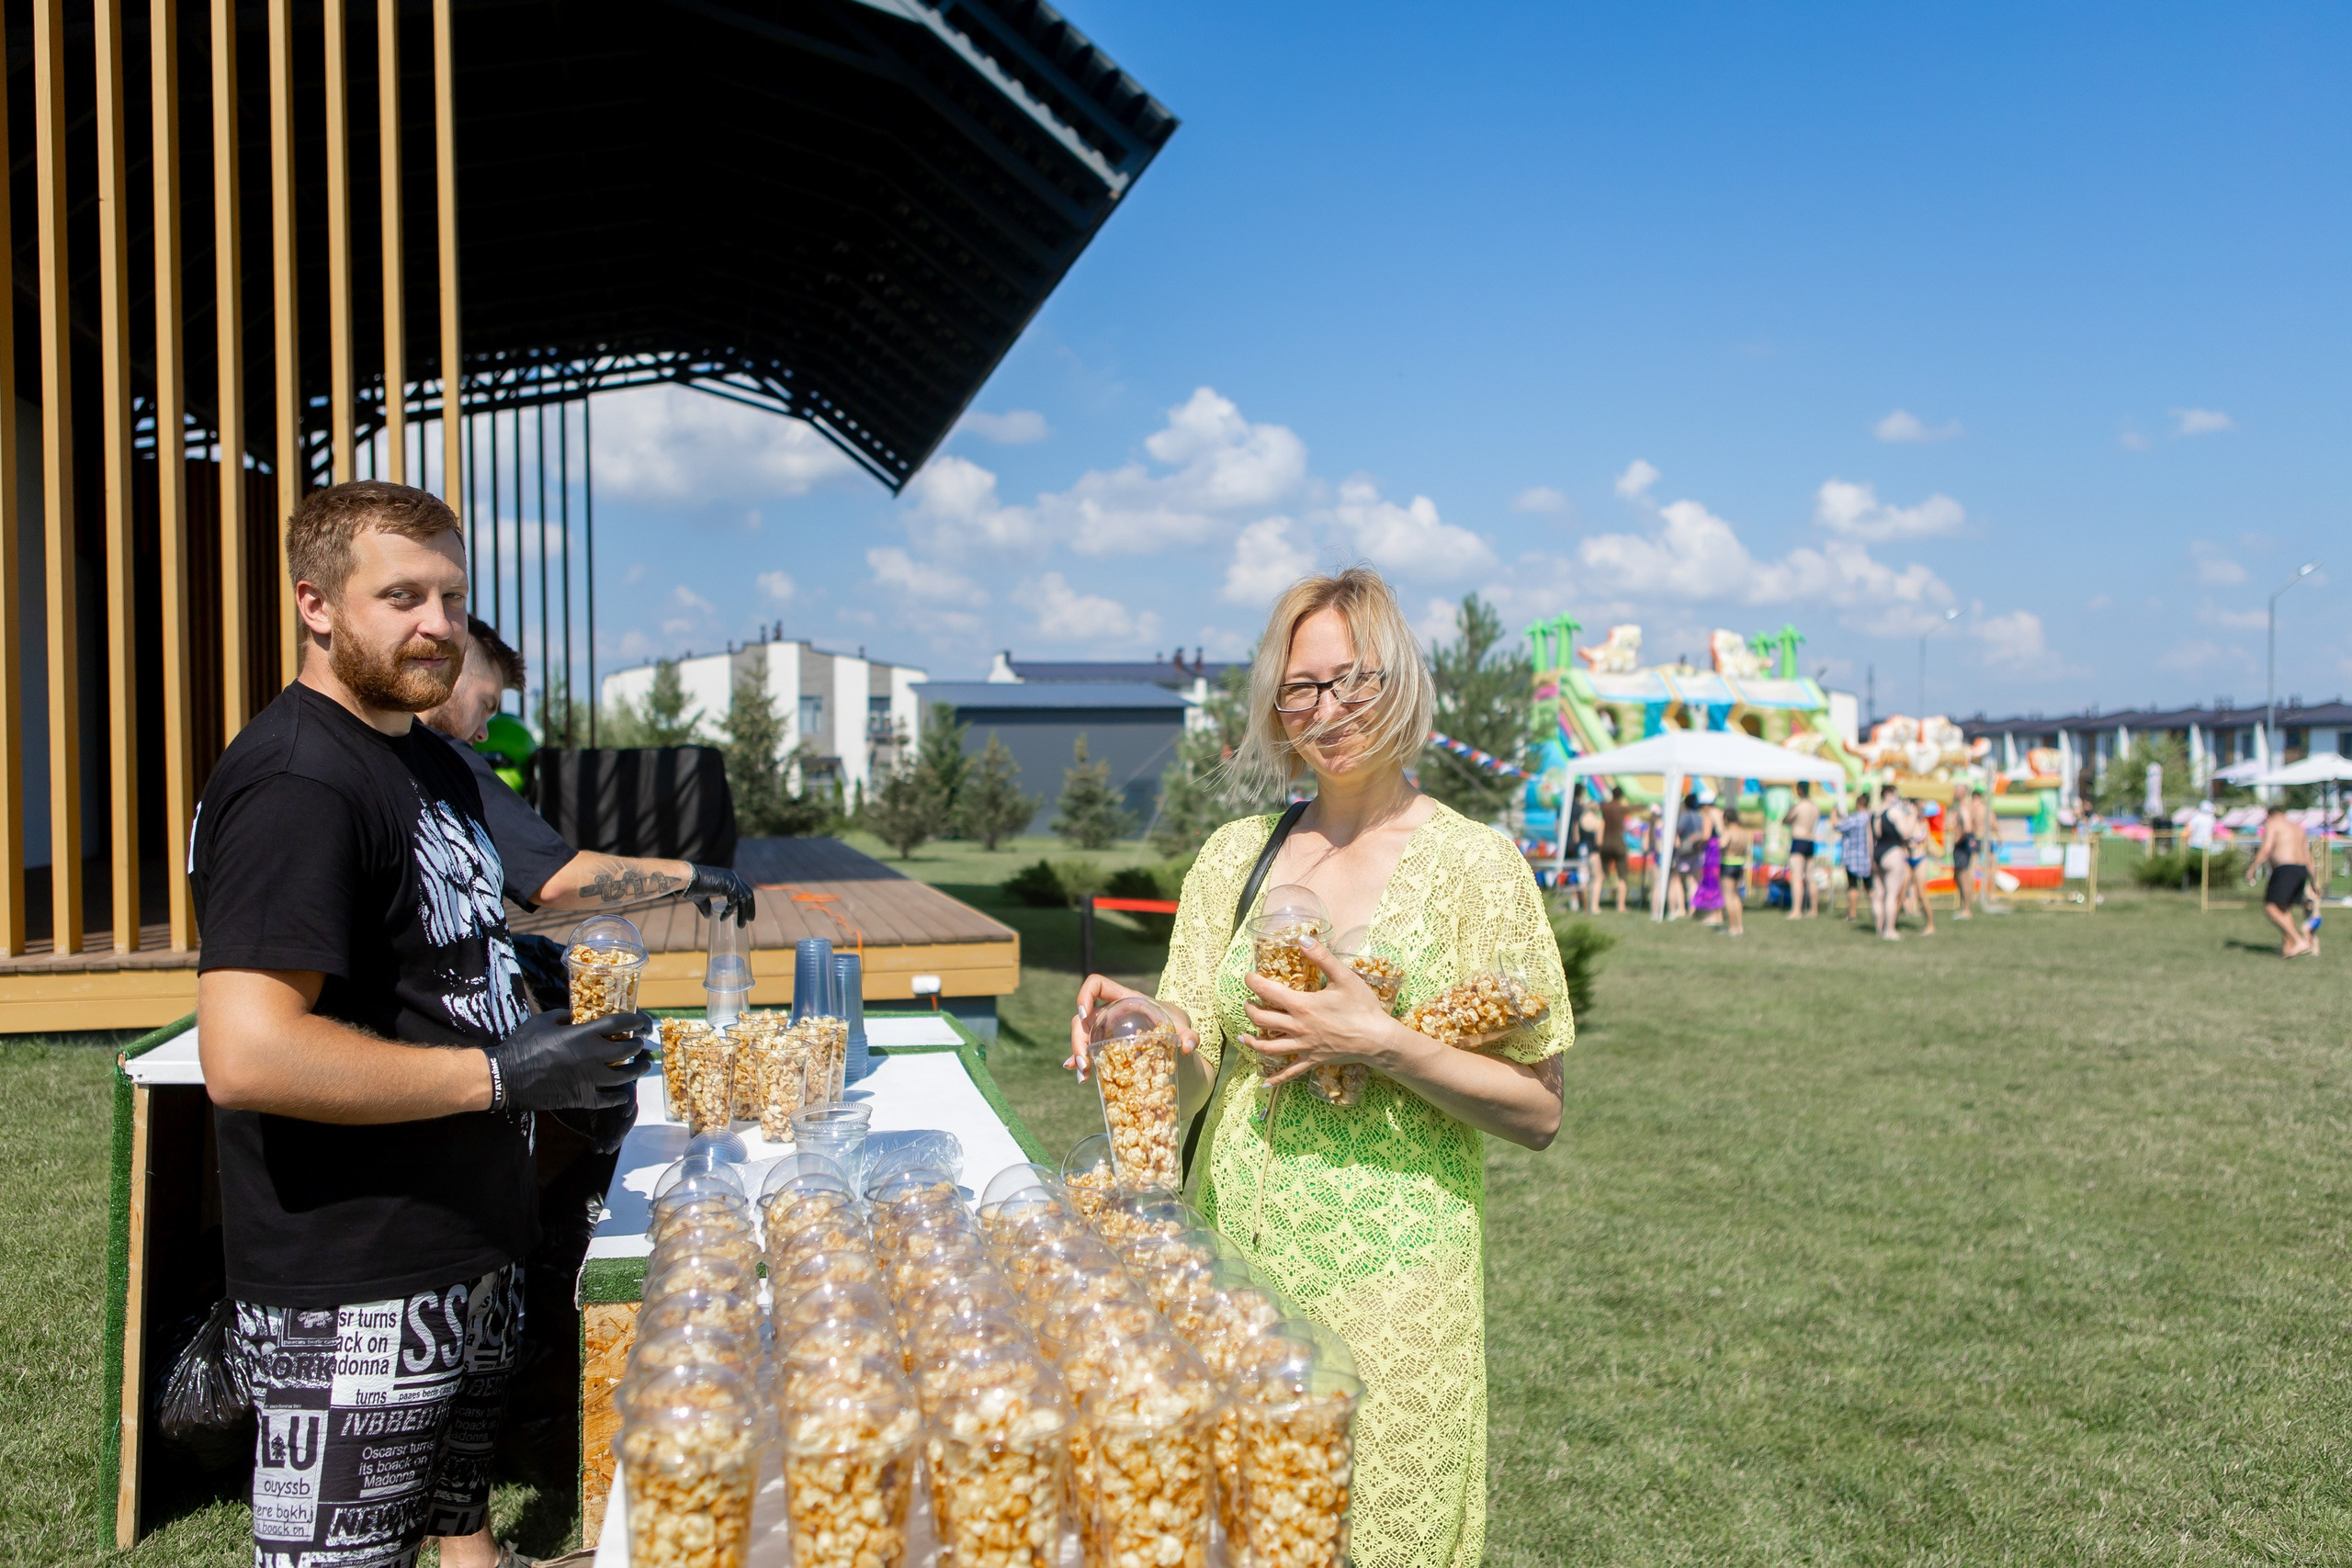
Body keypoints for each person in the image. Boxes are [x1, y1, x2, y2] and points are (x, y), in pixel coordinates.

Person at [1066, 567, 1566, 1568]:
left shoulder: (1475, 868)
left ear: (1401, 685)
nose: (1327, 710)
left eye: (1354, 680)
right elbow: (1201, 1060)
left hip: (1392, 1286)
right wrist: (1154, 1029)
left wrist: (1380, 1041)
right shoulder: (1234, 855)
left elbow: (1538, 1111)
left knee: (1368, 1540)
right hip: (1229, 1268)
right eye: (1301, 687)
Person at [192, 482, 650, 1568]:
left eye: (450, 594)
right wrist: (502, 1075)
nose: (438, 623)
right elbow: (246, 1051)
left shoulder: (429, 759)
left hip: (468, 1239)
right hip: (357, 1277)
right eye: (400, 596)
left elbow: (442, 954)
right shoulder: (299, 778)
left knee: (456, 1524)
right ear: (316, 606)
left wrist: (552, 1032)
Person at [418, 617, 754, 1500]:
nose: (489, 726)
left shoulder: (443, 764)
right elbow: (561, 879)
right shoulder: (429, 762)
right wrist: (693, 875)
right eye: (486, 701)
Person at [2247, 805, 2316, 957]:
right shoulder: (2298, 828)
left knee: (2270, 908)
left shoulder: (2273, 824)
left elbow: (2267, 848)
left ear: (2269, 815)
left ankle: (2299, 941)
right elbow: (2307, 856)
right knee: (2284, 909)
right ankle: (2289, 947)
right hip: (2301, 870)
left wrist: (2252, 868)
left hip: (2285, 869)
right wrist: (2314, 879)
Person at [1872, 790, 1915, 940]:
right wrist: (1912, 815)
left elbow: (1871, 838)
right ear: (1889, 794)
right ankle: (1889, 930)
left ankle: (1878, 927)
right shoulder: (1894, 812)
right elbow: (1905, 833)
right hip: (1892, 852)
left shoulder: (1876, 813)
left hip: (1877, 853)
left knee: (1878, 895)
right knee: (1891, 895)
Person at [1951, 782, 1989, 918]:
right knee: (1959, 876)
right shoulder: (1966, 807)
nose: (1954, 791)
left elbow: (1967, 828)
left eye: (1956, 789)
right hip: (1967, 842)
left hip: (1963, 844)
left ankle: (1967, 909)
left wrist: (1958, 838)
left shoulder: (1964, 808)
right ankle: (1965, 906)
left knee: (1963, 877)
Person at [1784, 780, 1820, 919]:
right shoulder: (1814, 807)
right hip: (1810, 841)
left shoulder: (1799, 806)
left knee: (1797, 877)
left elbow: (1787, 819)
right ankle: (1814, 909)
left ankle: (1796, 910)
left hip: (1799, 841)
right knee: (1811, 877)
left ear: (1799, 790)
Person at [1838, 790, 1874, 920]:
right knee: (1869, 887)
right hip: (1868, 857)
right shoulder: (1872, 817)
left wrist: (1833, 815)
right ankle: (1877, 912)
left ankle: (1852, 914)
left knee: (1853, 886)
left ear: (1858, 804)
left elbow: (1838, 826)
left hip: (1853, 857)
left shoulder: (1854, 818)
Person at [1598, 785, 1632, 912]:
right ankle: (1621, 905)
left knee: (1600, 876)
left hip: (1605, 844)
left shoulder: (1605, 807)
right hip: (1618, 845)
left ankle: (1596, 903)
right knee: (1622, 876)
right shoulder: (1621, 809)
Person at [1718, 806, 1749, 936]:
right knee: (1736, 896)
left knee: (1728, 896)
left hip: (1728, 864)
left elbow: (1722, 844)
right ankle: (1739, 926)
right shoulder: (1743, 832)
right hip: (1739, 864)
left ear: (1725, 819)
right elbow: (1746, 850)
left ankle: (1732, 927)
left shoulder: (1728, 831)